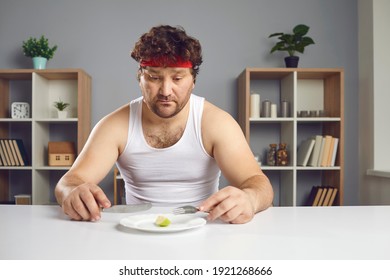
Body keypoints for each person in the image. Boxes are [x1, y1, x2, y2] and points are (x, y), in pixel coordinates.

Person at [55, 25, 273, 224]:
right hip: (137, 229)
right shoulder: (115, 125)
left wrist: (250, 199)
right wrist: (72, 193)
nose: (166, 91)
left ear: (193, 81)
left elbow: (257, 182)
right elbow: (70, 182)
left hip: (203, 229)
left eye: (177, 78)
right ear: (139, 77)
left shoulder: (216, 123)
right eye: (154, 77)